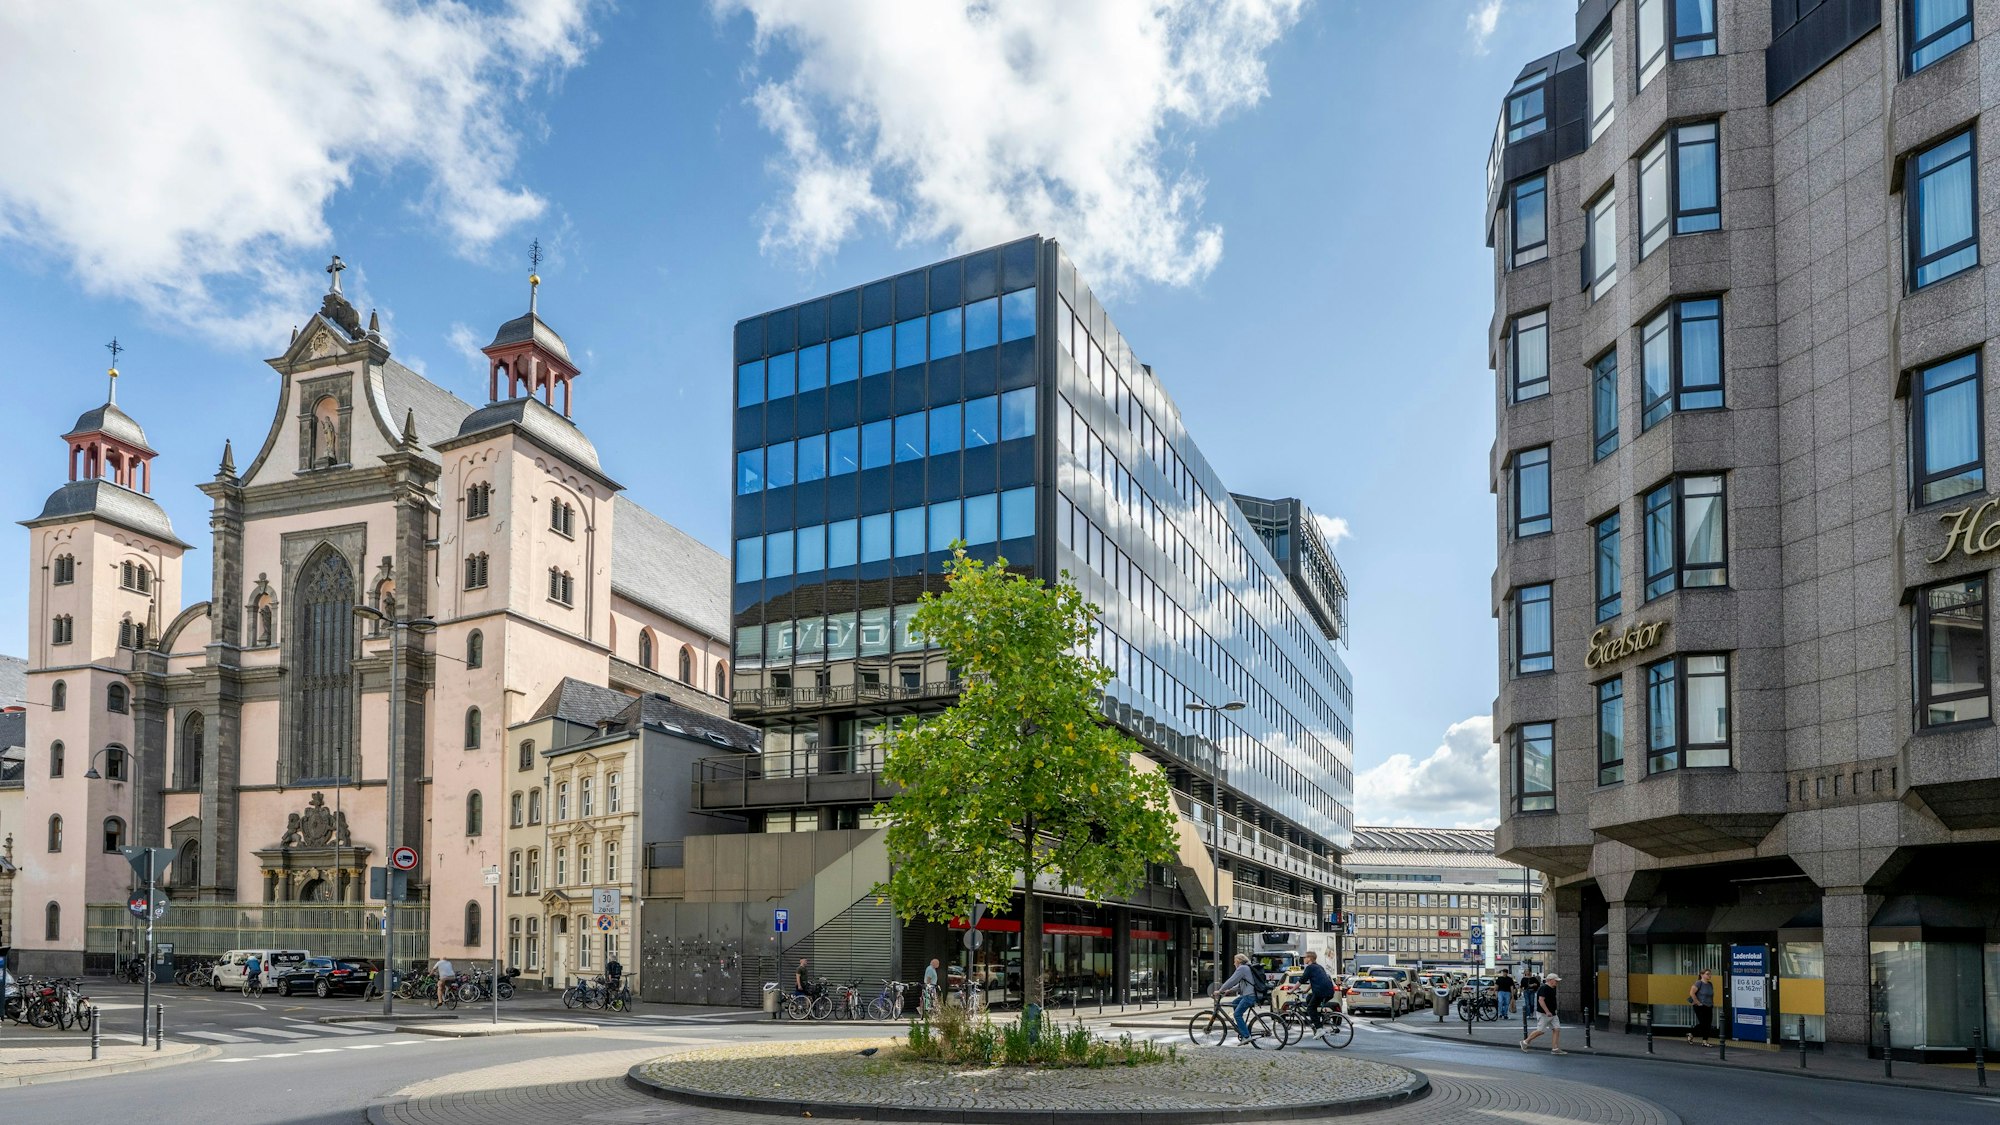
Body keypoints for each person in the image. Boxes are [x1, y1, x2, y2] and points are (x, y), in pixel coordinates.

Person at [1210, 953, 1262, 1046]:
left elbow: (1232, 980)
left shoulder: (1242, 968)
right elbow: (1240, 985)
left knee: (1237, 1014)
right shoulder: (1247, 968)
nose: (1234, 964)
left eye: (1234, 962)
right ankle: (1241, 1028)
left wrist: (1220, 990)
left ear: (1238, 961)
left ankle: (1246, 1036)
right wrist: (1229, 990)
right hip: (1248, 995)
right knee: (1235, 1003)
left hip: (1249, 996)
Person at [1521, 971, 1565, 1054]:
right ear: (1550, 980)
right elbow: (1541, 1000)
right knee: (1541, 1030)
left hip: (1552, 1013)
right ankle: (1525, 1042)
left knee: (1557, 1028)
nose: (1557, 982)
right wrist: (1547, 1011)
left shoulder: (1552, 988)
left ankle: (1555, 1048)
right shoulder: (1543, 988)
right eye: (1556, 981)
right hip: (1544, 1013)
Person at [1299, 951, 1337, 1031]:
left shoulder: (1309, 968)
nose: (1304, 959)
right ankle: (1316, 1020)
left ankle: (1319, 1029)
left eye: (1305, 957)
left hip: (1320, 992)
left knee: (1310, 1008)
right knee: (1309, 998)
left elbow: (1301, 980)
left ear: (1309, 958)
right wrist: (1306, 990)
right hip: (1329, 991)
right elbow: (1313, 981)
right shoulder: (1319, 967)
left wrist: (1292, 990)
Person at [1687, 968, 1717, 1047]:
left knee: (1708, 1024)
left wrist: (1712, 1003)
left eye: (1710, 974)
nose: (1709, 975)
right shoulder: (1699, 983)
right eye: (1707, 974)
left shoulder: (1710, 984)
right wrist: (1698, 1002)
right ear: (1702, 975)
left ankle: (1704, 1041)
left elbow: (1711, 995)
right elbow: (1692, 993)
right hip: (1700, 1006)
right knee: (1704, 1023)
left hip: (1709, 1006)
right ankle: (1691, 1034)